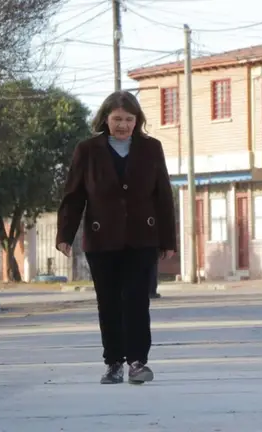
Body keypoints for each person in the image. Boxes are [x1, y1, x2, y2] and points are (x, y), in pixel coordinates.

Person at [56, 91, 177, 385]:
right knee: (108, 303)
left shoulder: (151, 148)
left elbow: (163, 195)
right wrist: (65, 235)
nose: (123, 125)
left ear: (137, 121)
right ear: (105, 119)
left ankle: (137, 362)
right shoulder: (88, 150)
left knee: (137, 301)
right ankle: (113, 363)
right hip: (102, 240)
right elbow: (74, 196)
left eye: (129, 119)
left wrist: (168, 240)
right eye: (117, 119)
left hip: (142, 238)